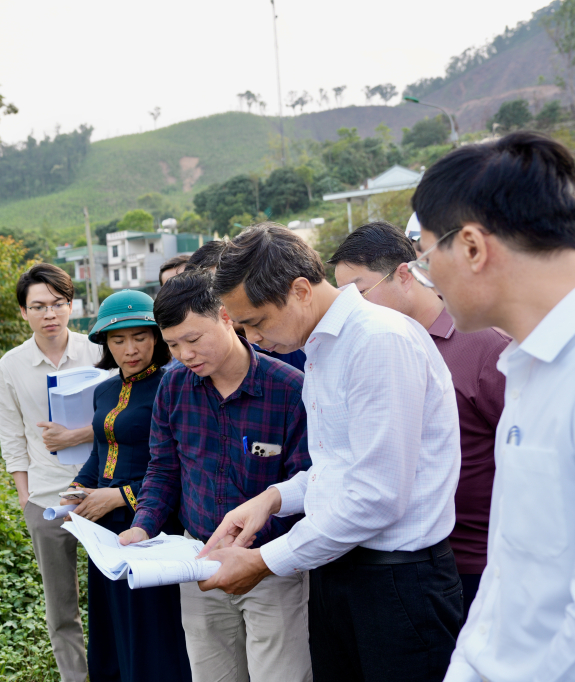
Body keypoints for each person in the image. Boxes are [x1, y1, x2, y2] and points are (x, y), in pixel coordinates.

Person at [200, 224, 463, 682]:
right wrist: (273, 499)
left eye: (257, 322)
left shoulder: (378, 340)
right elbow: (339, 467)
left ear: (300, 290)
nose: (252, 339)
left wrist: (264, 561)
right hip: (339, 570)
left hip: (397, 585)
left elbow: (376, 494)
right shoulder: (321, 346)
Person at [409, 131, 575, 682]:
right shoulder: (525, 367)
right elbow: (512, 572)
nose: (426, 277)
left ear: (474, 247)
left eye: (427, 255)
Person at [117, 270, 313, 682]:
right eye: (172, 345)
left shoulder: (289, 390)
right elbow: (163, 468)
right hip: (198, 564)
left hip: (269, 566)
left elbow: (306, 486)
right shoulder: (173, 387)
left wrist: (250, 551)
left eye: (193, 339)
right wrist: (143, 526)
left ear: (226, 317)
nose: (185, 354)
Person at [329, 220, 509, 619]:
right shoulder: (369, 350)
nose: (354, 309)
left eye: (360, 293)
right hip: (404, 564)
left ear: (405, 274)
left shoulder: (483, 346)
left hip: (481, 563)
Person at [63, 290, 192, 682]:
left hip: (150, 523)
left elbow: (178, 466)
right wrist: (78, 486)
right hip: (102, 528)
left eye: (139, 337)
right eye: (118, 340)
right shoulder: (103, 390)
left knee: (153, 628)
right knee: (112, 623)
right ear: (105, 343)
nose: (130, 349)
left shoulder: (174, 387)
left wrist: (119, 496)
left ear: (156, 337)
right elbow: (100, 452)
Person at [0, 263, 101, 682]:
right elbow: (12, 439)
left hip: (99, 492)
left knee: (112, 599)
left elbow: (122, 417)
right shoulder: (11, 366)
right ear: (24, 313)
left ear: (71, 305)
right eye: (38, 306)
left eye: (57, 303)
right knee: (61, 609)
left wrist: (76, 435)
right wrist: (26, 502)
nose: (49, 314)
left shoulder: (97, 350)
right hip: (45, 501)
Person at [188, 237, 307, 372]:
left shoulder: (295, 343)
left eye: (227, 287)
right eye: (209, 294)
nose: (221, 300)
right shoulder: (195, 366)